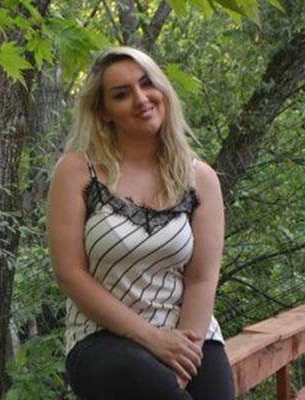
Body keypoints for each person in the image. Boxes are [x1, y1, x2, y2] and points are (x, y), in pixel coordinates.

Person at [47, 46, 235, 400]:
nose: (141, 99)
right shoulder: (77, 172)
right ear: (103, 112)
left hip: (189, 332)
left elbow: (202, 277)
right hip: (102, 338)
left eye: (147, 83)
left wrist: (185, 355)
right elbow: (69, 273)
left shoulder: (200, 178)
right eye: (121, 94)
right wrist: (152, 339)